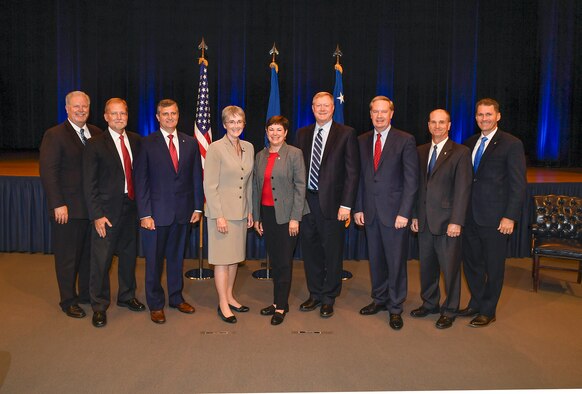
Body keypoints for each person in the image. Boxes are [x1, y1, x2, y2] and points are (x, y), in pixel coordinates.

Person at [133, 99, 203, 324]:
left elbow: (195, 177)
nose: (170, 117)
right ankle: (155, 303)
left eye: (173, 113)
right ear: (157, 117)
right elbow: (140, 181)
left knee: (176, 259)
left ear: (178, 115)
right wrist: (145, 214)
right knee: (153, 262)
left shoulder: (190, 142)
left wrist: (197, 207)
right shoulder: (146, 143)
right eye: (165, 114)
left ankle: (175, 297)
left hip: (182, 213)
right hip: (155, 215)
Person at [459, 98, 526, 327]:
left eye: (488, 114)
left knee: (494, 266)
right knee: (472, 263)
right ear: (475, 117)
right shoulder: (469, 143)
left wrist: (510, 216)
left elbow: (518, 184)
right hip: (469, 216)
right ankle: (476, 303)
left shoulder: (511, 143)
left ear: (498, 116)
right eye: (480, 115)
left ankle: (488, 310)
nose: (484, 119)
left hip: (496, 219)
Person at [353, 96, 418, 330]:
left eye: (384, 112)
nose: (379, 116)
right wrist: (358, 206)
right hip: (369, 212)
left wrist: (405, 212)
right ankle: (379, 299)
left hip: (395, 215)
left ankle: (395, 307)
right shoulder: (361, 140)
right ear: (370, 114)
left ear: (392, 114)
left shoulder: (405, 140)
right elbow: (359, 177)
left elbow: (412, 181)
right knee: (376, 260)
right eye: (375, 112)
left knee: (396, 262)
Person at [294, 92, 359, 318]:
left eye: (326, 105)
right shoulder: (302, 133)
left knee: (332, 252)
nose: (322, 109)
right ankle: (315, 293)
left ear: (333, 108)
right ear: (312, 108)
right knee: (310, 251)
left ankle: (329, 297)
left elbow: (352, 172)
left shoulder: (346, 133)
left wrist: (347, 205)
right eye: (318, 105)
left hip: (333, 204)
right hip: (306, 201)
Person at [82, 98, 145, 328]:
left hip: (131, 209)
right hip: (106, 214)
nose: (119, 117)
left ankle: (127, 296)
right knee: (101, 261)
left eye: (123, 113)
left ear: (127, 116)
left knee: (129, 257)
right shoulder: (95, 144)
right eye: (114, 113)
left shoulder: (137, 141)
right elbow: (89, 184)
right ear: (106, 117)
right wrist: (96, 214)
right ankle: (99, 306)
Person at [39, 91, 102, 319]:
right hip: (67, 210)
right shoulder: (54, 135)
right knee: (67, 258)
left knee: (87, 256)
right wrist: (57, 203)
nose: (81, 110)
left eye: (84, 106)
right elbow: (49, 172)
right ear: (66, 108)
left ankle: (85, 294)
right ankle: (68, 300)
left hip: (91, 210)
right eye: (76, 106)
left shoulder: (96, 133)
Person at [409, 109, 472, 329]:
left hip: (448, 223)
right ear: (428, 125)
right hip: (424, 221)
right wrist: (415, 215)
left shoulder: (461, 152)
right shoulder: (420, 151)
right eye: (433, 122)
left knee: (450, 268)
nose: (437, 126)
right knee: (427, 266)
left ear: (449, 125)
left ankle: (450, 309)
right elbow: (417, 187)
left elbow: (463, 189)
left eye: (442, 122)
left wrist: (457, 221)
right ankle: (430, 303)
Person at [253, 116, 307, 325]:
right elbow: (256, 187)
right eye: (271, 130)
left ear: (285, 133)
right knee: (275, 262)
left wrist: (296, 217)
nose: (275, 134)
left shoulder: (294, 154)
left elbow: (300, 186)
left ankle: (281, 307)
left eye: (279, 130)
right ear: (266, 132)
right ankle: (277, 302)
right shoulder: (260, 155)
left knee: (284, 262)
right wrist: (257, 217)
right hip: (267, 214)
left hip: (287, 217)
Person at [204, 105, 254, 324]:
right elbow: (210, 185)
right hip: (222, 214)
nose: (235, 126)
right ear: (224, 124)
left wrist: (250, 210)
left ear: (244, 124)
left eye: (239, 121)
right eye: (231, 122)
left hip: (241, 213)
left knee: (234, 259)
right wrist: (218, 216)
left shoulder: (249, 147)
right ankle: (223, 303)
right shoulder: (215, 148)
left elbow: (249, 182)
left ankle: (231, 296)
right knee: (222, 261)